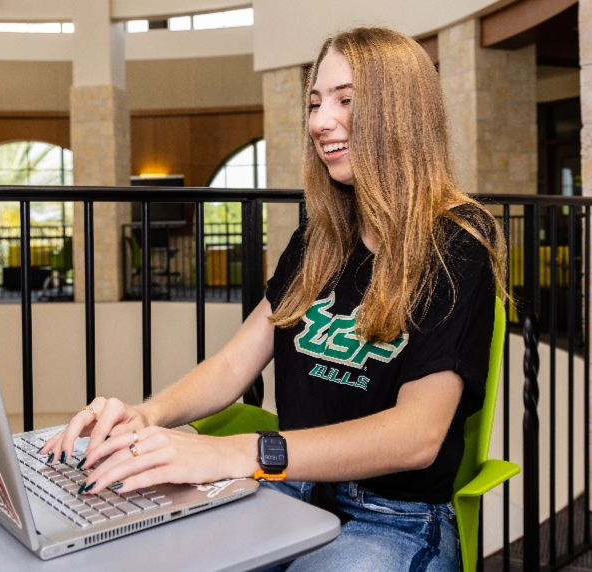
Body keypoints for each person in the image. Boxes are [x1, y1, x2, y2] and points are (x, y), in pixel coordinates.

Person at [41, 27, 505, 571]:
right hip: (291, 490)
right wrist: (147, 415)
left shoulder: (458, 240)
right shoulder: (319, 240)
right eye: (314, 103)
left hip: (392, 517)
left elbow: (417, 436)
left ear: (399, 112)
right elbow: (234, 363)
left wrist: (238, 453)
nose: (318, 122)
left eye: (345, 100)